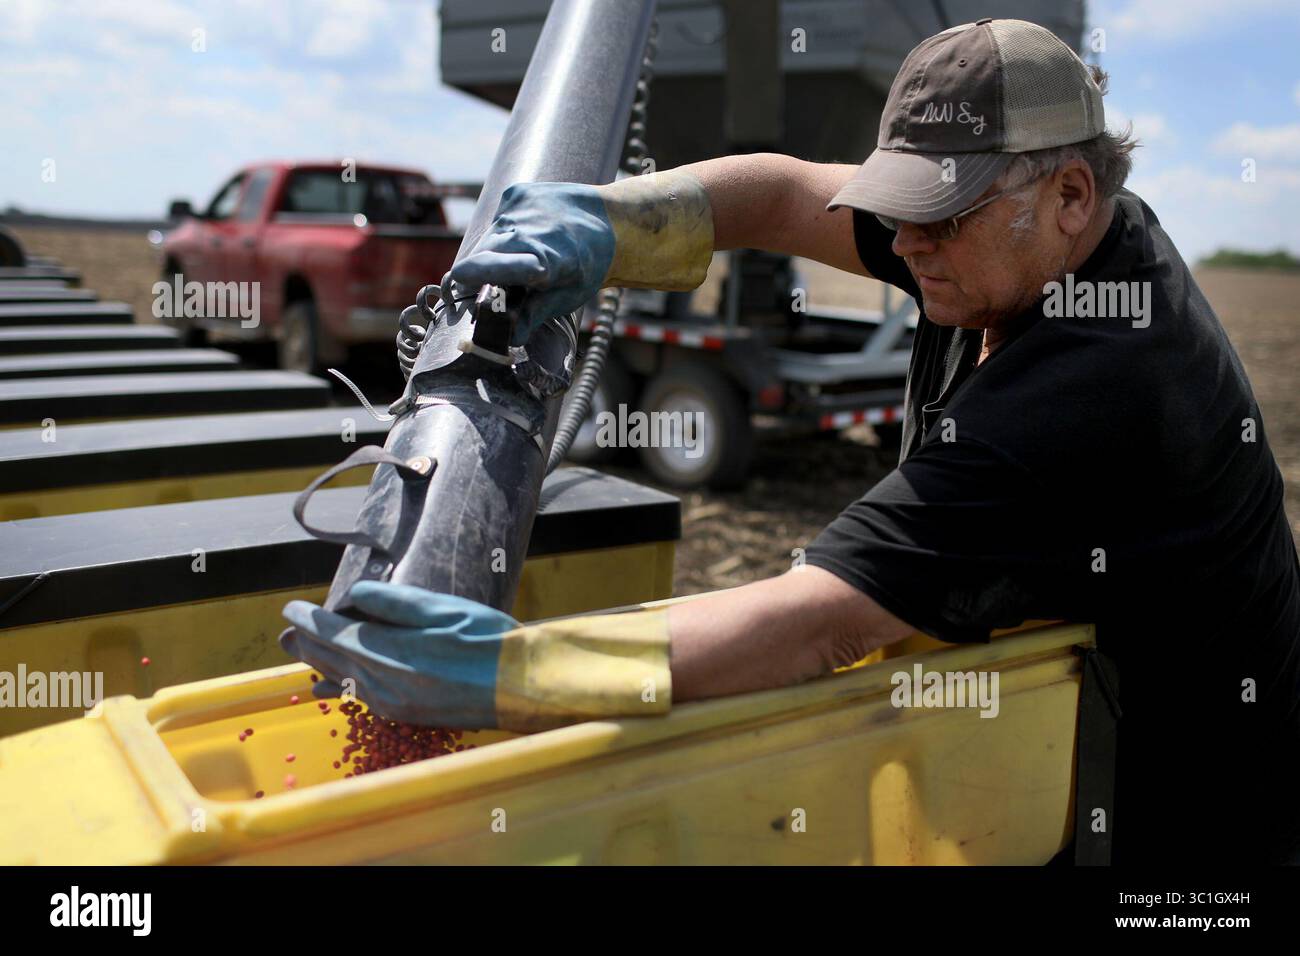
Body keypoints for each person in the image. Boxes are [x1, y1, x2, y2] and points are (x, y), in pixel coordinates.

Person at [281, 19, 1300, 864]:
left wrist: (515, 674)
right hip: (1065, 725)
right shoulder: (1046, 237)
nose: (903, 247)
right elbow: (780, 193)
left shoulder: (1093, 389)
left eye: (937, 218)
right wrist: (617, 220)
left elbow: (817, 623)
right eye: (900, 207)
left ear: (1071, 194)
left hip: (1193, 814)